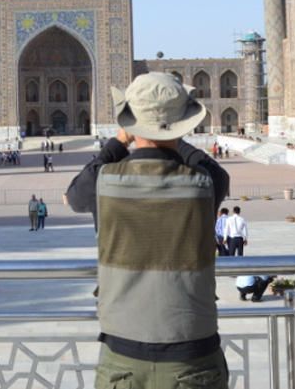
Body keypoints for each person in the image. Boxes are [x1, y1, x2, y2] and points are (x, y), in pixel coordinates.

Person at [65, 72, 230, 388]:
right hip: (192, 351)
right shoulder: (205, 184)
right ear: (183, 123)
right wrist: (174, 138)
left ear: (129, 122)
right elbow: (214, 171)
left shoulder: (104, 181)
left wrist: (118, 142)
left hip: (124, 354)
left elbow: (74, 194)